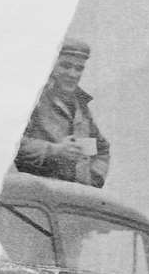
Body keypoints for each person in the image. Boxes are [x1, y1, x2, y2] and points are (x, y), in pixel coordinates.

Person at [16, 39, 109, 188]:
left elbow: (102, 149)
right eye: (66, 66)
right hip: (37, 196)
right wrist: (54, 150)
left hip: (73, 197)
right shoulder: (35, 100)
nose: (73, 74)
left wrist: (94, 177)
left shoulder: (81, 108)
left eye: (79, 68)